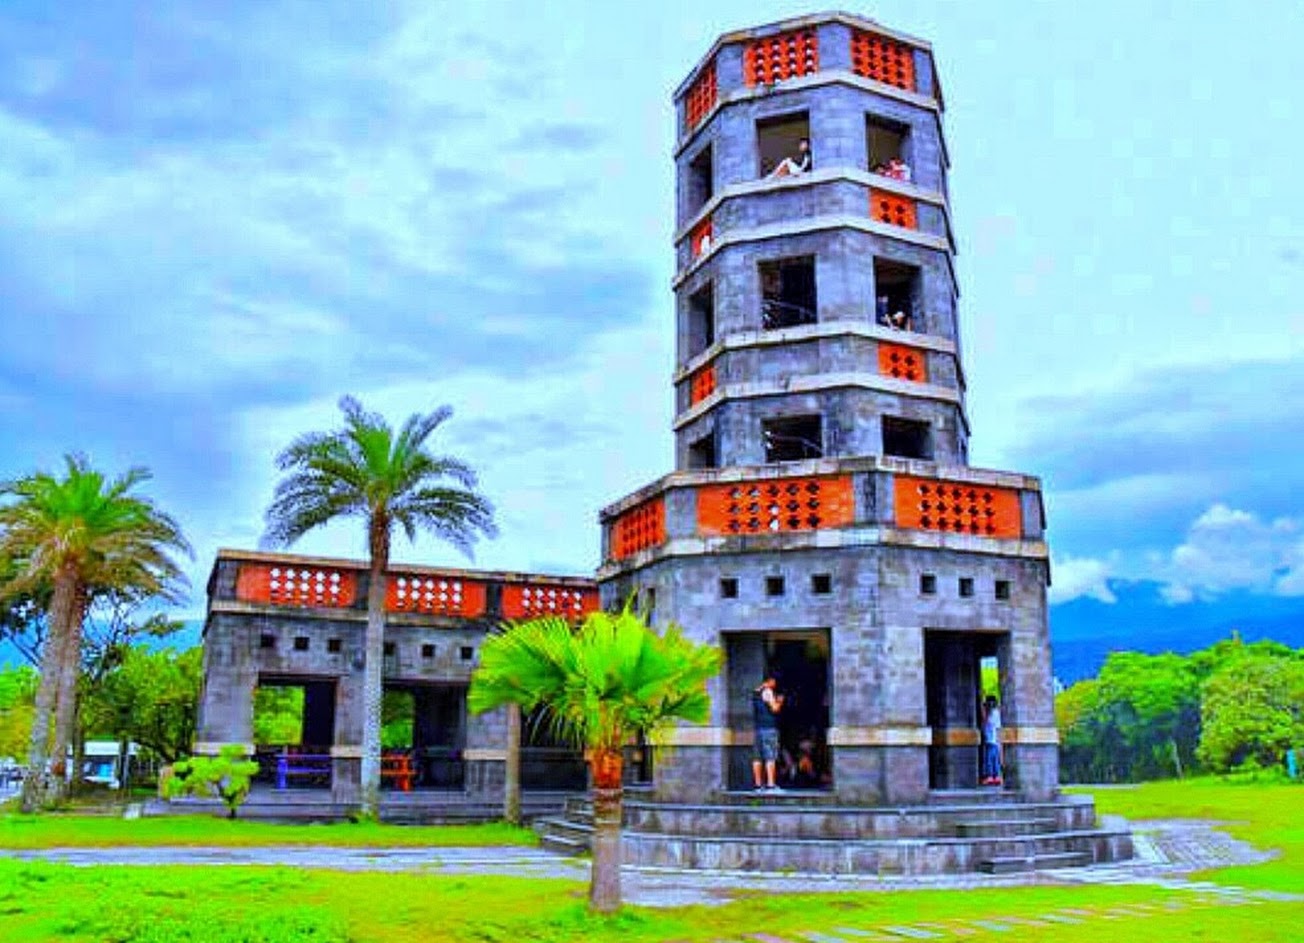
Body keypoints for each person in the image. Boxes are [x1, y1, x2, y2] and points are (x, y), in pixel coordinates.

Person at [752, 673, 785, 792]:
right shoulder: (768, 692)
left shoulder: (756, 692)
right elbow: (774, 708)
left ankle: (758, 786)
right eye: (774, 681)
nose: (775, 684)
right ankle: (771, 785)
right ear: (770, 681)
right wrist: (780, 701)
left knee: (757, 757)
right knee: (770, 756)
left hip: (758, 728)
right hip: (769, 728)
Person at [980, 695, 1003, 786]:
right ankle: (996, 776)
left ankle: (990, 776)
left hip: (991, 740)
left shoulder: (991, 713)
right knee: (994, 759)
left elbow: (985, 722)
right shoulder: (996, 713)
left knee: (989, 759)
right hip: (994, 740)